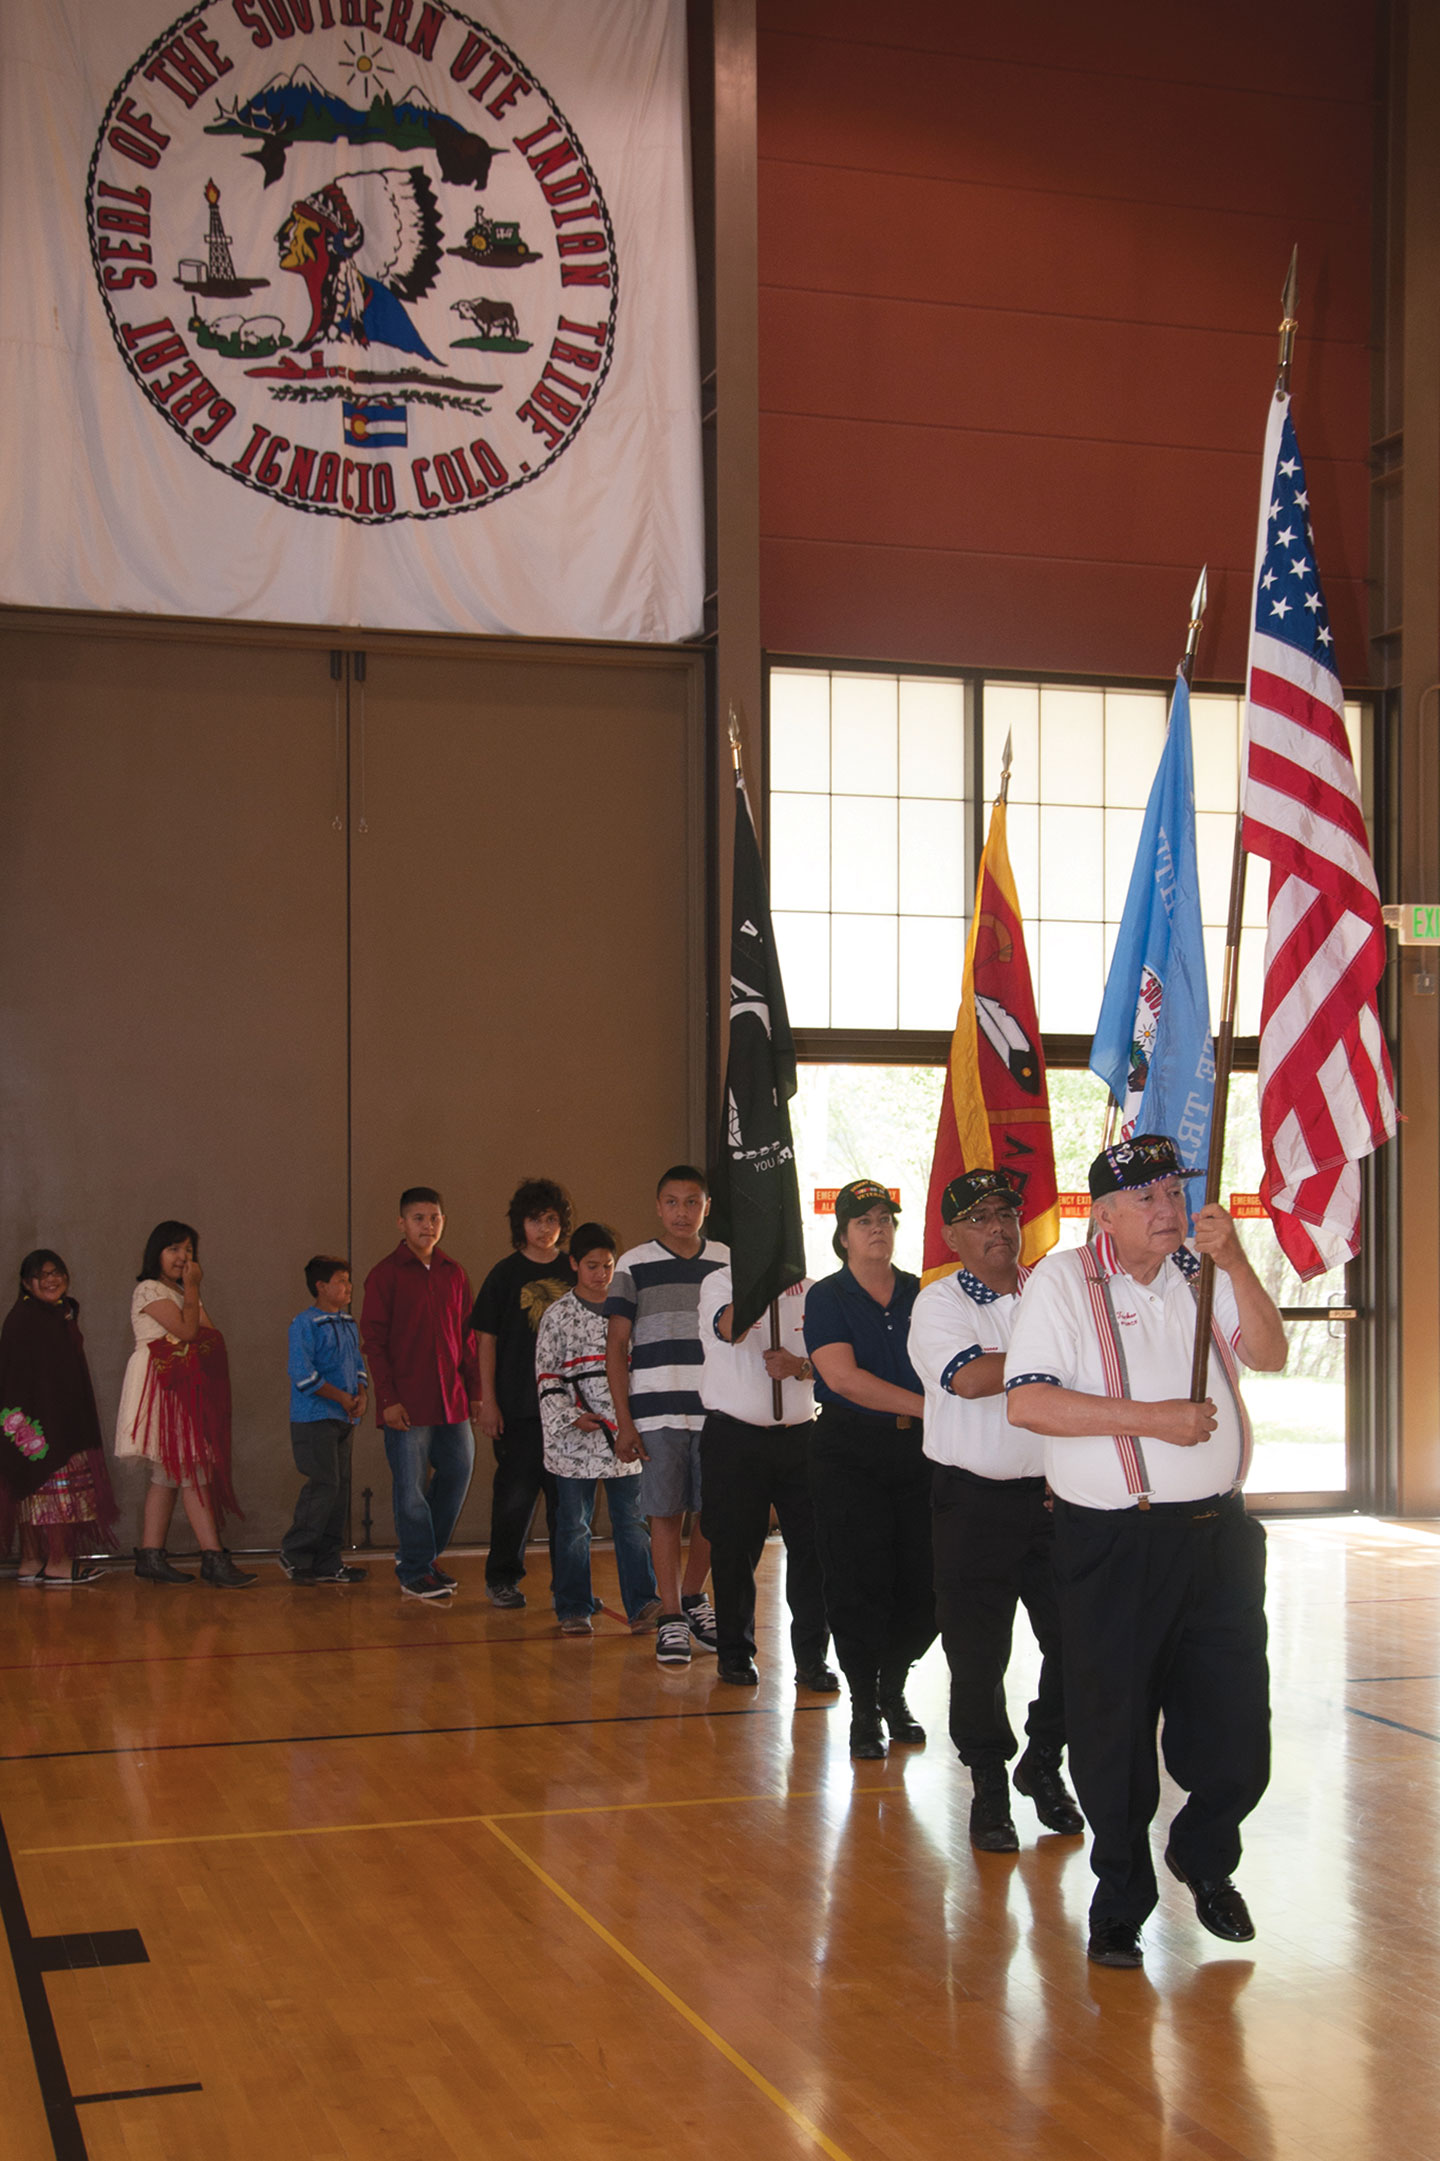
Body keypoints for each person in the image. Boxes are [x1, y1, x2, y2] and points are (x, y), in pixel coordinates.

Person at [1005, 1133, 1287, 1971]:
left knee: (1238, 1725)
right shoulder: (1063, 1280)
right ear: (1106, 1213)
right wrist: (1153, 1418)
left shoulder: (1202, 1272)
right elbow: (1030, 1405)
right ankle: (1121, 1897)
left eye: (1175, 1192)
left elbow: (1266, 1353)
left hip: (1219, 1540)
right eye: (1150, 1198)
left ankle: (1203, 1855)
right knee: (1115, 1729)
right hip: (1117, 1542)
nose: (1170, 1210)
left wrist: (1236, 1263)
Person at [910, 1170, 1082, 1850]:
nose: (999, 1227)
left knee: (1078, 1639)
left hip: (1054, 1497)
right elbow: (972, 1377)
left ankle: (1043, 1759)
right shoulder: (938, 1302)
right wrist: (1053, 1358)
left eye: (1007, 1212)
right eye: (980, 1216)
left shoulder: (1051, 1291)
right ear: (952, 1235)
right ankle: (988, 1782)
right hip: (972, 1502)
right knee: (977, 1655)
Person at [802, 1178, 935, 1759]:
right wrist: (933, 1409)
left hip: (923, 1455)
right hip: (849, 1453)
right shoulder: (826, 1296)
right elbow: (842, 1378)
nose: (877, 1227)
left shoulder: (926, 1292)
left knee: (926, 1584)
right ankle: (863, 1707)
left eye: (885, 1218)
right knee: (857, 1583)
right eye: (864, 1220)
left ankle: (893, 1686)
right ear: (843, 1236)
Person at [604, 1165, 728, 1666]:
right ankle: (671, 1615)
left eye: (692, 1202)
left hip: (717, 1407)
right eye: (672, 1202)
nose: (682, 1212)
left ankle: (695, 1597)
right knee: (664, 1513)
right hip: (656, 1410)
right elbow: (615, 1346)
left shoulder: (726, 1262)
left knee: (712, 1513)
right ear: (658, 1207)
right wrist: (624, 1422)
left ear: (706, 1207)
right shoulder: (633, 1264)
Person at [697, 1267, 836, 1693]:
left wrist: (801, 1367)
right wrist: (761, 1284)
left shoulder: (815, 1293)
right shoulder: (720, 1283)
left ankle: (812, 1659)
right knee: (735, 1548)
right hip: (734, 1437)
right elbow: (729, 1327)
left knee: (813, 1549)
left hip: (800, 1438)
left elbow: (836, 1364)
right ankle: (735, 1653)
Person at [535, 1221, 660, 1636]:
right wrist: (572, 1416)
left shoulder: (628, 1309)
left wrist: (635, 1421)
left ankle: (643, 1604)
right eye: (592, 1266)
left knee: (632, 1521)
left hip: (625, 1434)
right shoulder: (556, 1316)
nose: (601, 1274)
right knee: (574, 1525)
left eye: (607, 1266)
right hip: (574, 1439)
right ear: (573, 1264)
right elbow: (546, 1376)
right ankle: (573, 1606)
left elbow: (641, 1370)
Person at [116, 1219, 255, 1587]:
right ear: (157, 1253)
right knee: (190, 1468)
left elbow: (208, 1335)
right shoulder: (148, 1289)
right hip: (162, 1383)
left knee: (170, 1474)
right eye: (174, 1249)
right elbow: (188, 1331)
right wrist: (192, 1288)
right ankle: (212, 1558)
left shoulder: (179, 1292)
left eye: (189, 1251)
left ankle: (151, 1554)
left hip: (182, 1385)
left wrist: (190, 1293)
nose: (183, 1257)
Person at [360, 1186, 481, 1602]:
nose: (427, 1226)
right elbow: (373, 1342)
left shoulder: (454, 1272)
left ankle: (422, 1557)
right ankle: (415, 1569)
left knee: (459, 1472)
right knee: (410, 1488)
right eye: (418, 1218)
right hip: (406, 1404)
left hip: (453, 1400)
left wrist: (476, 1391)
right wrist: (388, 1399)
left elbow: (466, 1339)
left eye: (434, 1218)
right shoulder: (384, 1274)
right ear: (401, 1224)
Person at [470, 1178, 573, 1609]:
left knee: (567, 1507)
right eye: (535, 1220)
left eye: (551, 1219)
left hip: (569, 1410)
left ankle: (569, 1585)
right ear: (520, 1224)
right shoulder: (505, 1274)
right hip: (518, 1408)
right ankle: (502, 1578)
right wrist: (488, 1401)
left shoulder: (574, 1270)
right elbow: (486, 1340)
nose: (544, 1228)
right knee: (514, 1500)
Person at [0, 1250, 118, 1585]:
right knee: (48, 1484)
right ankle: (59, 1562)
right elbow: (30, 1379)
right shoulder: (31, 1318)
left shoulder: (49, 1314)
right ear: (27, 1282)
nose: (52, 1280)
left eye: (58, 1272)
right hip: (41, 1422)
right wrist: (49, 1422)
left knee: (31, 1488)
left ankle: (31, 1560)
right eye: (43, 1274)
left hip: (32, 1421)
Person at [280, 1254, 369, 1585]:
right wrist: (341, 1397)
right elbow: (302, 1374)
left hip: (343, 1419)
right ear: (320, 1286)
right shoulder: (304, 1323)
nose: (348, 1287)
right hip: (314, 1419)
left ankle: (329, 1561)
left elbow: (357, 1363)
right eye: (341, 1281)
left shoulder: (347, 1322)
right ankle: (296, 1553)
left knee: (340, 1488)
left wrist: (361, 1393)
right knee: (324, 1485)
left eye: (349, 1280)